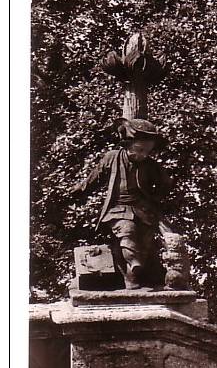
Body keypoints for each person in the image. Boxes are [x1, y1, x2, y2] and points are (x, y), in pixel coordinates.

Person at [70, 118, 171, 289]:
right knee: (127, 230)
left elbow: (165, 184)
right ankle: (133, 263)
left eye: (147, 151)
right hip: (117, 209)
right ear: (128, 143)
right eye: (139, 150)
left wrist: (158, 195)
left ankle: (133, 277)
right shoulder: (112, 157)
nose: (142, 155)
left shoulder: (150, 165)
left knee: (146, 240)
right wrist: (78, 189)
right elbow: (95, 177)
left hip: (142, 209)